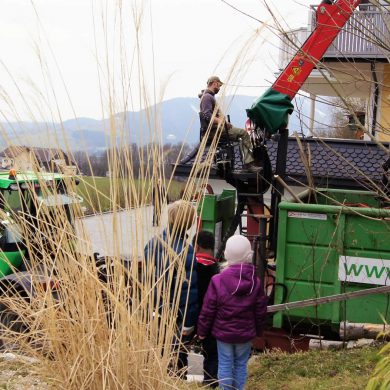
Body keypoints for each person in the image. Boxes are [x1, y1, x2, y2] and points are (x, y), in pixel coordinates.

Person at [197, 235, 267, 390]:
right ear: (250, 255)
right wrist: (259, 330)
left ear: (226, 255)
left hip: (223, 334)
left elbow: (208, 309)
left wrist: (202, 331)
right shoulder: (255, 282)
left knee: (225, 363)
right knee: (241, 364)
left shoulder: (217, 280)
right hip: (245, 333)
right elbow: (260, 310)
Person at [144, 200, 198, 377]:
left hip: (153, 315)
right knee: (175, 366)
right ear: (189, 224)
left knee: (154, 362)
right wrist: (188, 325)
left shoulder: (151, 244)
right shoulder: (186, 251)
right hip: (175, 320)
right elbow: (188, 294)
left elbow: (145, 282)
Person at [199, 76, 261, 173]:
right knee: (243, 133)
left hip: (216, 129)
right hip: (214, 131)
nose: (219, 88)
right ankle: (248, 164)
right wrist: (222, 122)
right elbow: (207, 115)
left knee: (240, 134)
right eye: (219, 85)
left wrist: (225, 123)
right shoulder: (207, 97)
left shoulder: (208, 96)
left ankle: (247, 161)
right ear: (214, 83)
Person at [193, 230, 219, 388]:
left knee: (194, 349)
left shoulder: (192, 265)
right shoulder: (217, 270)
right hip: (212, 318)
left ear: (197, 246)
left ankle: (194, 379)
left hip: (193, 314)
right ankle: (211, 381)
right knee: (212, 350)